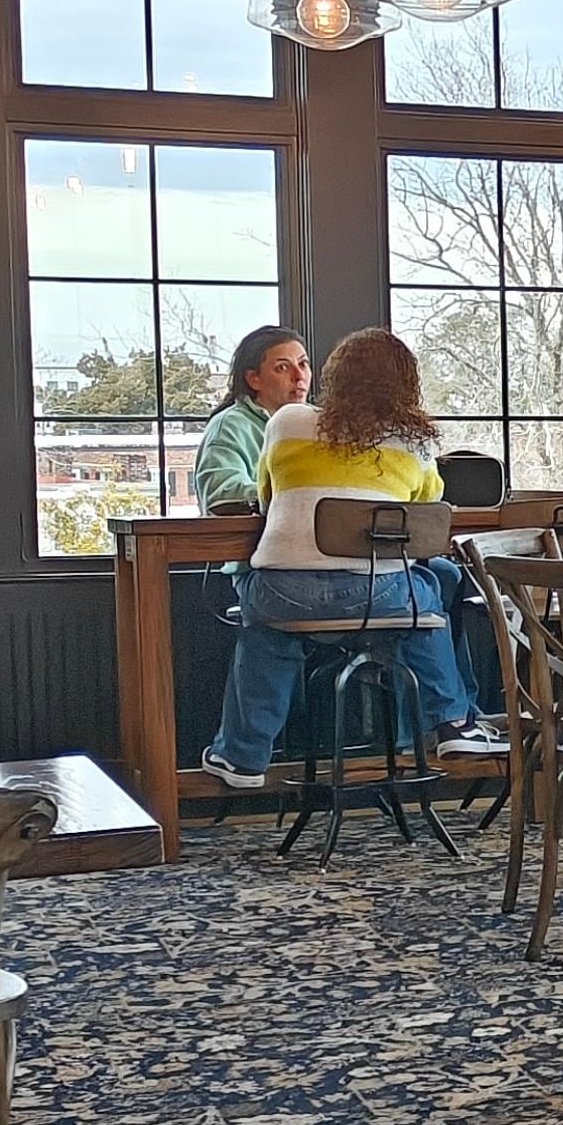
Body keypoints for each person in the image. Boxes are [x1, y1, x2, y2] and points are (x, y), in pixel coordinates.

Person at [199, 327, 482, 787]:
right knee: (429, 590)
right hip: (378, 595)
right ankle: (450, 722)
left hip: (284, 591)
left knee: (265, 622)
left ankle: (244, 757)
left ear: (334, 376)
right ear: (406, 383)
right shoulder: (414, 440)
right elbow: (426, 509)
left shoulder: (286, 422)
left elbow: (269, 498)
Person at [193, 326, 308, 515]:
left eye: (303, 364)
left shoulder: (323, 423)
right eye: (283, 367)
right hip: (251, 543)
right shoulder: (229, 426)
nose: (299, 376)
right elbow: (222, 497)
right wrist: (294, 493)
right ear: (254, 379)